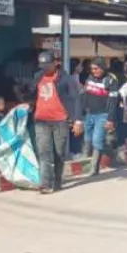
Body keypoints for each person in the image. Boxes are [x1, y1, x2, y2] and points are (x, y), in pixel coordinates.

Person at [31, 51, 80, 194]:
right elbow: (31, 93)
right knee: (43, 152)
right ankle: (45, 183)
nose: (44, 68)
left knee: (59, 153)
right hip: (41, 120)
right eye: (42, 65)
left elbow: (76, 98)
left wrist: (77, 120)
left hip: (60, 121)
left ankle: (57, 179)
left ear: (55, 63)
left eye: (47, 65)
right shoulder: (38, 77)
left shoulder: (66, 79)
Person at [79, 58, 121, 174]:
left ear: (103, 67)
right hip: (89, 114)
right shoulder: (89, 79)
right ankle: (85, 162)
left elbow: (113, 101)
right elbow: (84, 96)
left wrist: (110, 119)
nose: (94, 71)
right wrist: (80, 114)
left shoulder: (110, 81)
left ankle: (94, 168)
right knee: (87, 139)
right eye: (92, 69)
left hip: (103, 115)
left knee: (97, 140)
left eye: (96, 68)